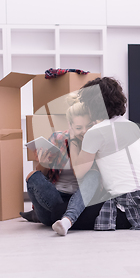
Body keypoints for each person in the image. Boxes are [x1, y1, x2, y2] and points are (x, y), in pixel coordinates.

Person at [51, 77, 140, 235]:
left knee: (55, 209)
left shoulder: (96, 132)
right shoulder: (132, 126)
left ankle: (57, 219)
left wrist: (73, 136)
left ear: (92, 106)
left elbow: (79, 172)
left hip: (126, 211)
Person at [23, 93, 103, 229]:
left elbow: (91, 180)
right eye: (78, 128)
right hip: (54, 199)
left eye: (88, 126)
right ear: (70, 125)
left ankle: (66, 218)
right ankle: (56, 216)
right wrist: (43, 164)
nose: (84, 131)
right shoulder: (58, 138)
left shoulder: (95, 141)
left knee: (94, 175)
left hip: (81, 200)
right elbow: (42, 175)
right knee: (33, 176)